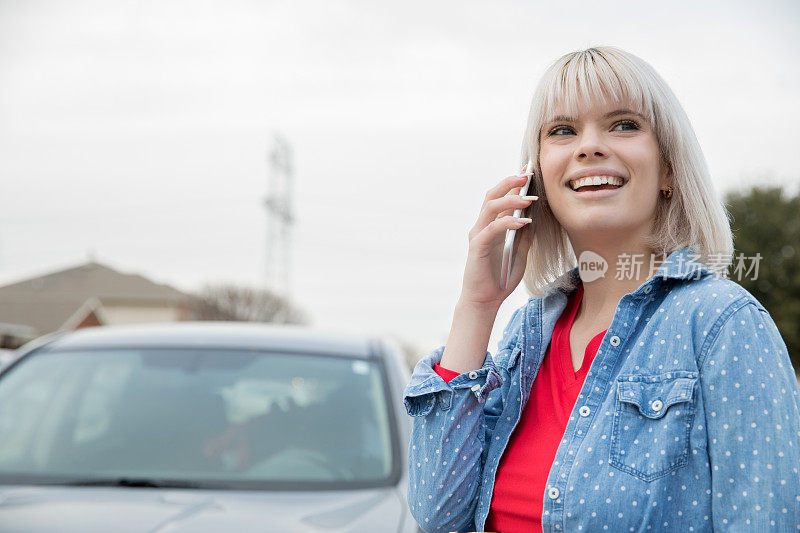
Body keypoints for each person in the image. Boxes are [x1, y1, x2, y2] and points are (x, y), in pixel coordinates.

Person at [403, 46, 800, 532]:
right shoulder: (528, 335)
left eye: (623, 125)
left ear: (669, 170)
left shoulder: (723, 324)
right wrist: (477, 306)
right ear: (538, 179)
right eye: (563, 131)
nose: (589, 147)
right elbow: (438, 515)